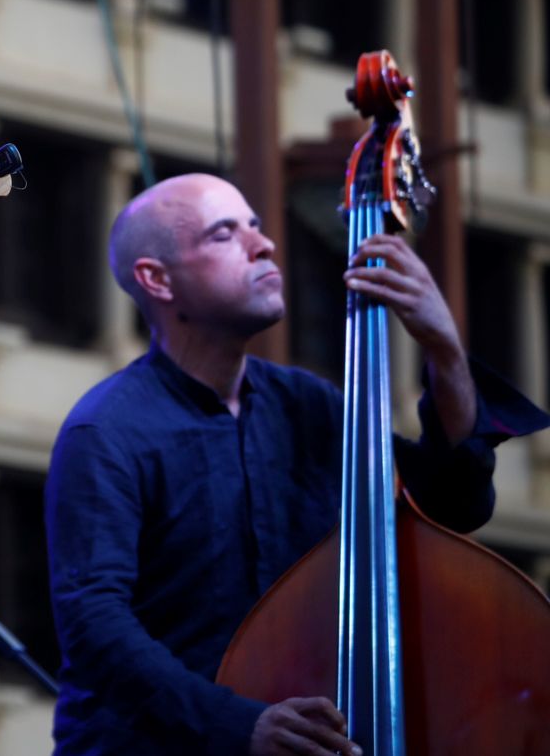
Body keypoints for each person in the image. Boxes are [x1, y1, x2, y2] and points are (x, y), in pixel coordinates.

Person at [45, 173, 546, 755]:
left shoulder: (312, 406)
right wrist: (240, 724)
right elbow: (93, 625)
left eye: (256, 227)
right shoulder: (105, 430)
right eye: (224, 234)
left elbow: (454, 507)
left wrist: (444, 350)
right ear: (157, 280)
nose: (264, 245)